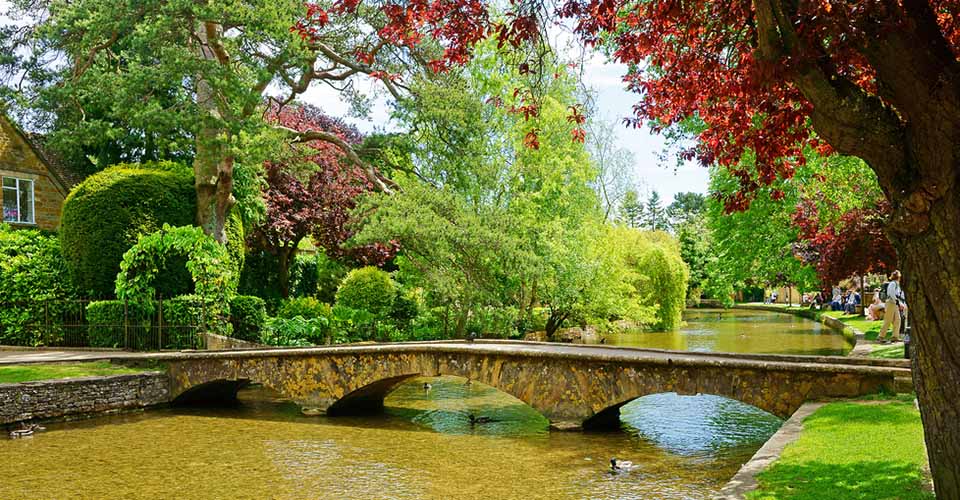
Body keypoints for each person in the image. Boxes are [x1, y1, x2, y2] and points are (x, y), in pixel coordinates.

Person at [878, 271, 906, 343]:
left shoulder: (897, 284)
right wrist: (899, 303)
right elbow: (892, 294)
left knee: (897, 320)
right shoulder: (893, 284)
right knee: (888, 320)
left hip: (894, 303)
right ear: (898, 277)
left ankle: (895, 336)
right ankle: (881, 336)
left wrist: (899, 303)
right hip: (890, 303)